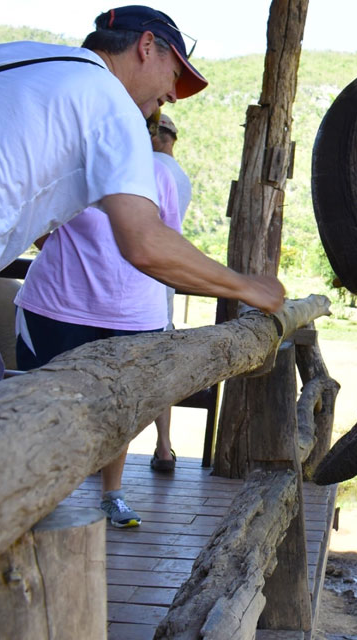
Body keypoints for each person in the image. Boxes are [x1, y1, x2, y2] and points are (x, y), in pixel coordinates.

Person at [0, 5, 285, 415]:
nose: (171, 94)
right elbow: (145, 244)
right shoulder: (112, 105)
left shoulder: (6, 54)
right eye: (174, 75)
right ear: (147, 46)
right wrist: (247, 287)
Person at [14, 107, 183, 527]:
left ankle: (113, 495)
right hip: (57, 307)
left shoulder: (159, 177)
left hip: (133, 314)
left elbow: (168, 240)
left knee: (121, 408)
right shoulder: (74, 170)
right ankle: (39, 495)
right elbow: (36, 221)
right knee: (44, 405)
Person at [149, 112, 191, 473]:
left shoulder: (149, 169)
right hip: (160, 290)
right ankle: (164, 447)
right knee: (160, 369)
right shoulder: (182, 178)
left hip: (135, 286)